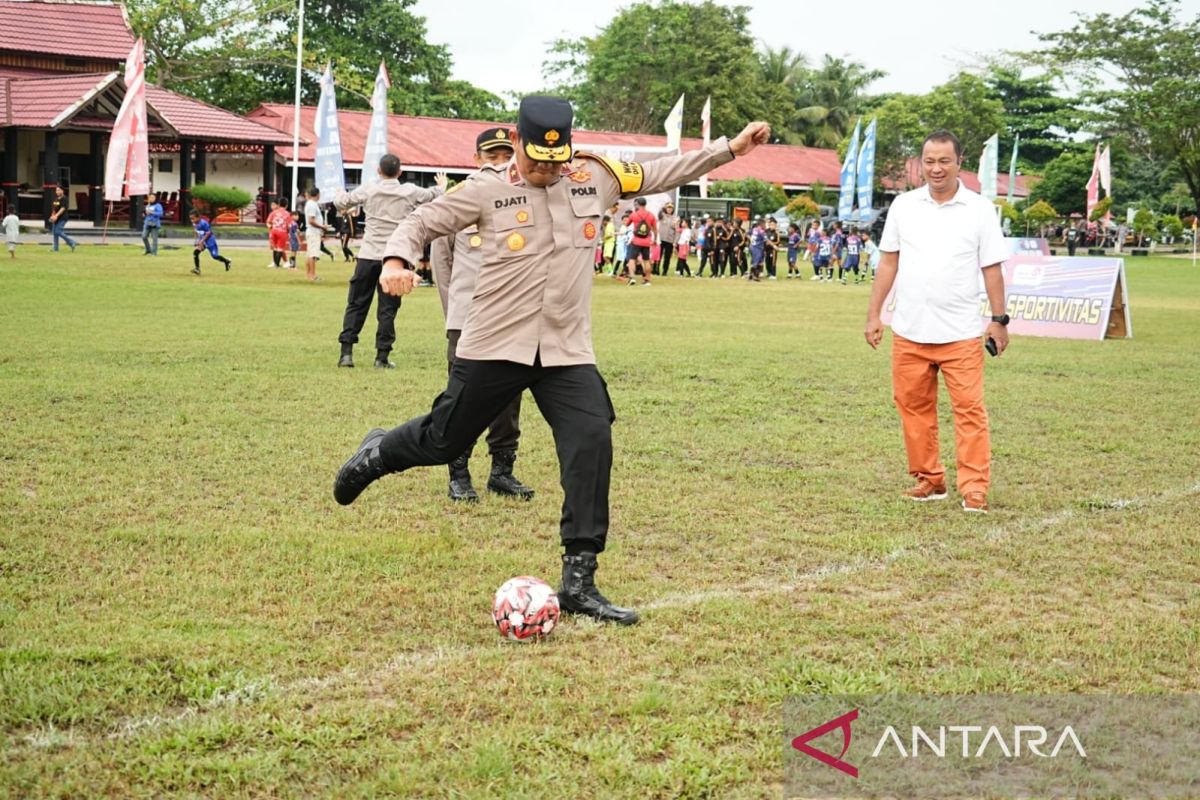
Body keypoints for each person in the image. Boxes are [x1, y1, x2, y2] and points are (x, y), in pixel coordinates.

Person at [332, 95, 771, 625]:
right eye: (537, 159)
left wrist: (730, 149)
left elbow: (661, 169)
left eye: (555, 160)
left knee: (592, 441)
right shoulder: (486, 187)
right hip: (495, 343)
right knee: (444, 439)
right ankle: (378, 453)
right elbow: (422, 221)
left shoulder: (595, 176)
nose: (546, 170)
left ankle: (579, 580)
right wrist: (398, 260)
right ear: (516, 142)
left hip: (565, 349)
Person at [864, 129, 1011, 514]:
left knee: (969, 411)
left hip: (960, 333)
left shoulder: (979, 209)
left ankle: (974, 488)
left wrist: (999, 320)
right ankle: (930, 480)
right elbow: (889, 262)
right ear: (920, 164)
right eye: (929, 161)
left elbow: (992, 269)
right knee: (913, 409)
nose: (936, 168)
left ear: (959, 163)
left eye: (944, 160)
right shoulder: (903, 206)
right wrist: (874, 314)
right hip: (910, 330)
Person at [429, 126, 535, 502]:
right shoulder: (461, 196)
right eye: (492, 157)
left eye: (506, 155)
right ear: (476, 160)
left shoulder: (525, 196)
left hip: (512, 314)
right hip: (469, 314)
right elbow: (441, 261)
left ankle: (502, 471)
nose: (500, 162)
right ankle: (458, 472)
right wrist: (454, 312)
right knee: (461, 398)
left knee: (508, 396)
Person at [332, 154, 446, 368]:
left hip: (368, 253)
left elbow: (341, 202)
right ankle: (381, 356)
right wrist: (442, 185)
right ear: (400, 172)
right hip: (395, 255)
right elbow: (434, 195)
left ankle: (346, 352)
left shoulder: (369, 189)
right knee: (388, 308)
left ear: (378, 171)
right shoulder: (409, 191)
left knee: (356, 303)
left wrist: (339, 194)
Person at [189, 209, 232, 274]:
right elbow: (196, 232)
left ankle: (227, 261)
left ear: (198, 217)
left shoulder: (203, 223)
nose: (192, 220)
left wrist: (201, 241)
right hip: (203, 241)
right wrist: (197, 241)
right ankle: (197, 269)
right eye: (191, 219)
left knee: (215, 256)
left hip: (210, 241)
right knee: (196, 252)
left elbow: (208, 233)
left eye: (193, 218)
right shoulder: (195, 224)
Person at [626, 197, 656, 285]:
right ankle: (647, 280)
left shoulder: (634, 214)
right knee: (646, 260)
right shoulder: (651, 215)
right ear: (646, 204)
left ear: (638, 204)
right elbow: (655, 229)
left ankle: (632, 278)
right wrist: (654, 239)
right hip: (647, 241)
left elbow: (627, 224)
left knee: (632, 259)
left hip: (636, 241)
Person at [303, 187, 327, 282]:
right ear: (317, 194)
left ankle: (309, 275)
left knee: (310, 254)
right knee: (313, 254)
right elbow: (311, 220)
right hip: (313, 232)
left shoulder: (311, 204)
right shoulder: (312, 204)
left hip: (313, 231)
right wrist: (322, 227)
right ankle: (312, 275)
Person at [48, 186, 77, 253]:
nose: (57, 192)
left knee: (58, 231)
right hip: (56, 218)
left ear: (62, 191)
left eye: (59, 190)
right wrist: (52, 216)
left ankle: (72, 242)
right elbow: (54, 209)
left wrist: (56, 216)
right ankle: (55, 249)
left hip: (62, 218)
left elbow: (63, 208)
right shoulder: (56, 199)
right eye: (56, 190)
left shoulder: (64, 198)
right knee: (55, 233)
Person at [266, 198, 292, 268]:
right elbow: (289, 225)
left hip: (274, 231)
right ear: (286, 205)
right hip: (282, 232)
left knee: (275, 248)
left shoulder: (273, 213)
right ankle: (277, 264)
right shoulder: (287, 214)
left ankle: (274, 263)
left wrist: (271, 229)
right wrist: (289, 233)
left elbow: (268, 222)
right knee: (280, 249)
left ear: (279, 204)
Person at [656, 201, 678, 277]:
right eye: (668, 208)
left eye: (671, 208)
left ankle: (665, 271)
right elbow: (659, 212)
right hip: (661, 239)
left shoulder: (675, 218)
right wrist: (664, 206)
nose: (669, 209)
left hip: (670, 240)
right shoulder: (662, 215)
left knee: (667, 257)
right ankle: (656, 269)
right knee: (659, 256)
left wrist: (675, 241)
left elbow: (677, 231)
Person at [748, 217, 765, 281]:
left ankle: (752, 275)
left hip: (753, 247)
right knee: (756, 262)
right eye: (764, 224)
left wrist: (751, 239)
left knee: (759, 262)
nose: (765, 226)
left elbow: (747, 234)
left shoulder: (754, 229)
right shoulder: (761, 231)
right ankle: (754, 276)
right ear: (761, 224)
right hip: (757, 248)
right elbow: (766, 240)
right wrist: (774, 246)